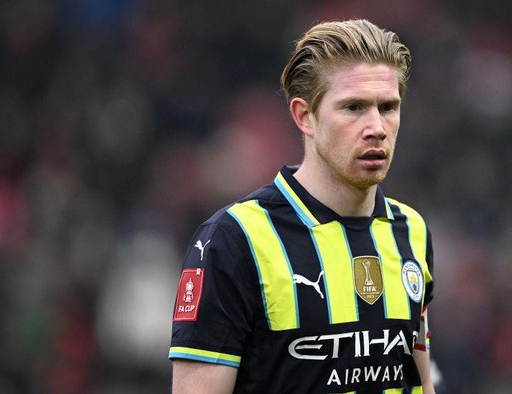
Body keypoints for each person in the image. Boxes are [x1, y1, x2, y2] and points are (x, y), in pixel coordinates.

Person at [169, 18, 436, 393]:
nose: (376, 126)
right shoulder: (234, 240)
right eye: (354, 107)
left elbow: (420, 382)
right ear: (304, 116)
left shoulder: (411, 231)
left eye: (388, 107)